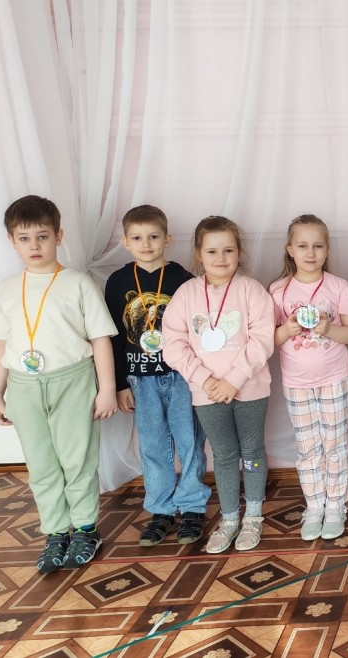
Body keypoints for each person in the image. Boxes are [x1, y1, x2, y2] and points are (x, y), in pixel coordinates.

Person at [0, 195, 117, 572]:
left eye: (42, 236)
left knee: (77, 460)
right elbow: (1, 345)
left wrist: (106, 389)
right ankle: (56, 531)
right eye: (24, 238)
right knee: (41, 463)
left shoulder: (78, 283)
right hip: (24, 386)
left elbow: (100, 339)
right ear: (12, 241)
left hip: (73, 381)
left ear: (58, 236)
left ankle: (85, 529)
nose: (34, 246)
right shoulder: (7, 289)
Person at [162, 216, 274, 554]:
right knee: (224, 455)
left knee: (252, 451)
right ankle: (229, 519)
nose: (221, 258)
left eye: (228, 250)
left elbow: (262, 340)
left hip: (250, 389)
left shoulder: (251, 290)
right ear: (199, 254)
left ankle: (253, 516)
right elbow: (173, 345)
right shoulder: (186, 294)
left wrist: (234, 379)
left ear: (239, 252)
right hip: (207, 392)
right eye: (212, 251)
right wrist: (206, 379)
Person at [105, 204, 210, 546]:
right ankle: (161, 510)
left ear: (167, 239)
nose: (146, 244)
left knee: (189, 441)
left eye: (153, 236)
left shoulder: (184, 280)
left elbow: (198, 331)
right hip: (140, 379)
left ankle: (192, 507)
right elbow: (114, 337)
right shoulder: (118, 282)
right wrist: (120, 384)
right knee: (152, 445)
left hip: (181, 376)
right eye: (137, 238)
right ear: (125, 242)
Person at [271, 215, 348, 541]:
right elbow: (269, 339)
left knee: (335, 445)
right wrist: (287, 329)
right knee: (308, 448)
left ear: (327, 249)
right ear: (290, 249)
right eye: (303, 246)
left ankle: (335, 506)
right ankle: (314, 506)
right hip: (296, 383)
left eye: (318, 246)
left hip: (334, 379)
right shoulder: (278, 290)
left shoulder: (338, 286)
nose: (310, 253)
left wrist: (328, 328)